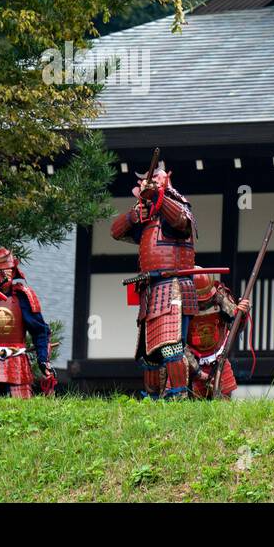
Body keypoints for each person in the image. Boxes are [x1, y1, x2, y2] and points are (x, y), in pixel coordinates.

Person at [111, 162, 198, 400]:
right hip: (150, 289)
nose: (149, 183)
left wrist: (160, 196)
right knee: (149, 354)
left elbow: (183, 223)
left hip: (173, 288)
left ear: (167, 178)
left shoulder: (178, 204)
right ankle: (152, 397)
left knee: (171, 347)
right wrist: (133, 215)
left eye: (156, 179)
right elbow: (115, 231)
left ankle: (178, 394)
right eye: (146, 181)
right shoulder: (146, 214)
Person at [0, 248, 56, 398]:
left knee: (20, 411)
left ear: (14, 271)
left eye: (8, 270)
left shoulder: (23, 297)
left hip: (16, 365)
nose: (4, 275)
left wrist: (43, 361)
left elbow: (40, 331)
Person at [187, 270, 250, 399]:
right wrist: (197, 372)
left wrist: (242, 314)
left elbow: (236, 327)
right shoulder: (181, 306)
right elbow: (178, 344)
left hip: (218, 358)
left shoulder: (220, 297)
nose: (203, 304)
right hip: (191, 361)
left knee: (224, 403)